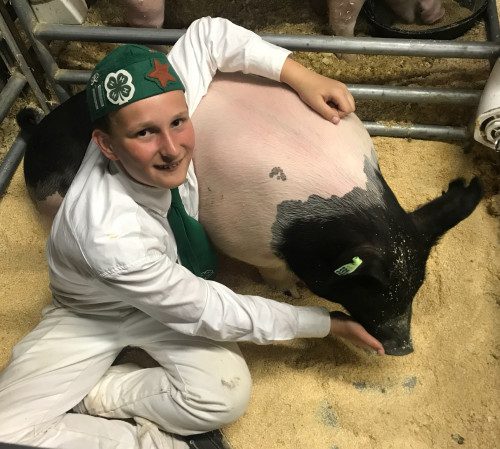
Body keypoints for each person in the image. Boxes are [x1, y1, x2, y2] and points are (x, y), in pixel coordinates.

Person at [0, 16, 383, 449]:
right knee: (6, 430)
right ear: (105, 146)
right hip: (92, 312)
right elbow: (212, 310)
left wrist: (302, 76)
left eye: (178, 122)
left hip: (165, 290)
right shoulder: (111, 237)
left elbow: (208, 34)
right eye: (145, 133)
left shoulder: (158, 109)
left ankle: (98, 395)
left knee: (224, 395)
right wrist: (324, 323)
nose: (172, 148)